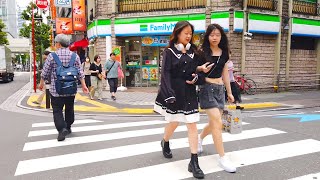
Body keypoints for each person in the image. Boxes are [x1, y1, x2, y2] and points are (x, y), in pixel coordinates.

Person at [153, 21, 205, 179]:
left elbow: (201, 71)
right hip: (174, 93)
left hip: (189, 93)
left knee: (192, 125)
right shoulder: (169, 51)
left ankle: (194, 162)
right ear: (177, 34)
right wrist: (168, 93)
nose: (189, 36)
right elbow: (165, 74)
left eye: (191, 33)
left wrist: (197, 77)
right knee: (174, 122)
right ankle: (165, 141)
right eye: (186, 33)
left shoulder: (194, 52)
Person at [196, 23, 237, 173]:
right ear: (207, 36)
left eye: (217, 35)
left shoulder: (225, 52)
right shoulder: (201, 52)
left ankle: (199, 138)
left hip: (220, 89)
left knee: (214, 122)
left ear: (221, 36)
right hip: (206, 88)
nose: (214, 37)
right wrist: (200, 69)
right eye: (212, 34)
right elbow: (192, 69)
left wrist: (229, 92)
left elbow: (225, 73)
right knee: (217, 122)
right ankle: (222, 158)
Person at [39, 34, 89, 141]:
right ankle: (68, 126)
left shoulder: (52, 56)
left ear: (58, 44)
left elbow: (45, 72)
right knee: (69, 108)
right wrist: (84, 85)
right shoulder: (74, 56)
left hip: (56, 89)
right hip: (71, 88)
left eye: (55, 43)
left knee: (57, 110)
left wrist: (41, 83)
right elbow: (80, 72)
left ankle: (61, 129)